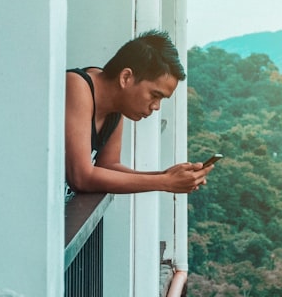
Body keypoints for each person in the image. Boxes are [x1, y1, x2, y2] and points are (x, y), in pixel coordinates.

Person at [65, 30, 213, 195]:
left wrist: (166, 176)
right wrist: (164, 182)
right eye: (155, 95)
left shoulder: (116, 104)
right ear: (126, 77)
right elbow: (81, 177)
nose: (156, 106)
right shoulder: (76, 85)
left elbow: (108, 166)